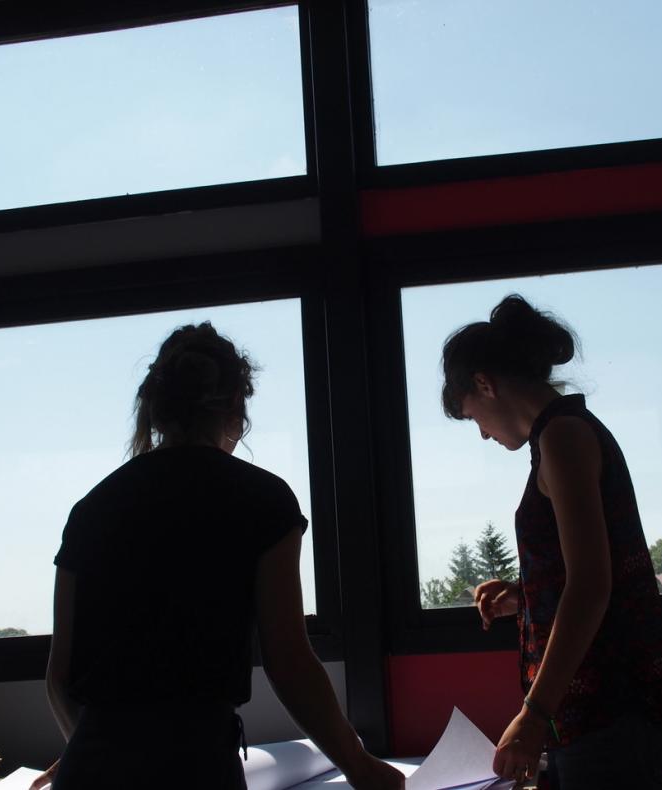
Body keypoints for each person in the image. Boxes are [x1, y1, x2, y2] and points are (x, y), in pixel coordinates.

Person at [32, 323, 403, 790]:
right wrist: (358, 764)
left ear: (156, 409)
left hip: (92, 764)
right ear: (235, 407)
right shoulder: (263, 500)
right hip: (197, 764)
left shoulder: (92, 508)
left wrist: (85, 749)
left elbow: (58, 676)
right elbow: (288, 662)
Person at [441, 295, 662, 790]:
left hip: (614, 711)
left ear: (485, 384)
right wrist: (527, 593)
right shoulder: (562, 435)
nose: (484, 436)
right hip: (607, 714)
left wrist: (533, 715)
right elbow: (589, 567)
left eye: (473, 418)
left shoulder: (563, 438)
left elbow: (593, 585)